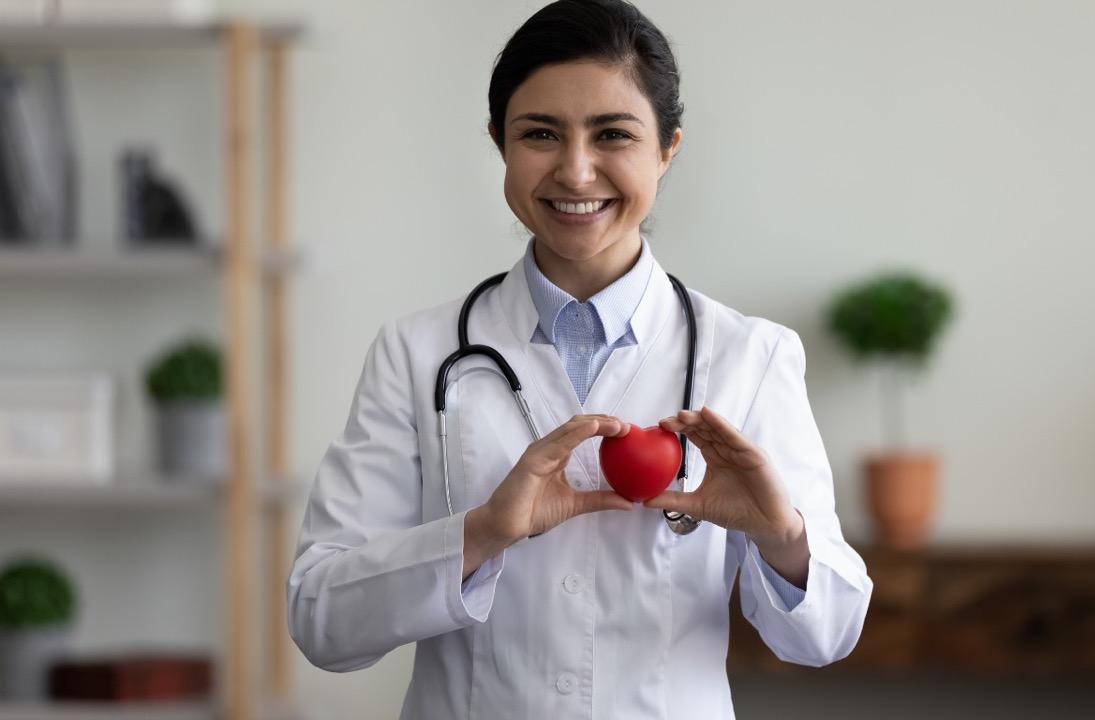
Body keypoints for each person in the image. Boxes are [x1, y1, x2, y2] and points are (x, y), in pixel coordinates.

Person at [286, 1, 873, 718]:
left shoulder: (752, 356)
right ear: (500, 143)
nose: (575, 170)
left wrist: (781, 536)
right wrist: (482, 532)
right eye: (540, 134)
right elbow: (321, 620)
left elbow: (827, 636)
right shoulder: (416, 354)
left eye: (613, 134)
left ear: (667, 149)